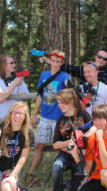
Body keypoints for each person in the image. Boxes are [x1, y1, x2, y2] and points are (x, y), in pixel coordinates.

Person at [30, 50, 73, 180]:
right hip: (44, 117)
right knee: (39, 145)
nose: (55, 64)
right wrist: (34, 115)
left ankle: (58, 175)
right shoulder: (44, 75)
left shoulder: (64, 76)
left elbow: (69, 88)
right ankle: (31, 173)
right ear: (50, 61)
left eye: (58, 62)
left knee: (60, 147)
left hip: (59, 118)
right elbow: (39, 96)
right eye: (53, 61)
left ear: (62, 63)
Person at [0, 102, 37, 191]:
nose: (17, 116)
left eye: (21, 114)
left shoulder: (28, 131)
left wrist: (12, 176)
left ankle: (11, 190)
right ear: (10, 113)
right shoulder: (1, 126)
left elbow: (23, 157)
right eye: (15, 113)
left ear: (25, 116)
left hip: (11, 168)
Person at [48, 89, 92, 191]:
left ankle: (70, 185)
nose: (60, 106)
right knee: (57, 167)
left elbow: (93, 127)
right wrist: (68, 143)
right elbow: (55, 144)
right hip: (65, 155)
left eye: (63, 103)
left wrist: (83, 137)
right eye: (59, 103)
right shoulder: (60, 120)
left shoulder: (83, 115)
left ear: (71, 101)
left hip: (81, 155)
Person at [0, 54, 30, 123]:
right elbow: (0, 98)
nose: (14, 65)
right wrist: (14, 84)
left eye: (15, 62)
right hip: (5, 118)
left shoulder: (18, 78)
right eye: (11, 63)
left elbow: (27, 96)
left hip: (19, 117)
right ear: (3, 65)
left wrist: (23, 95)